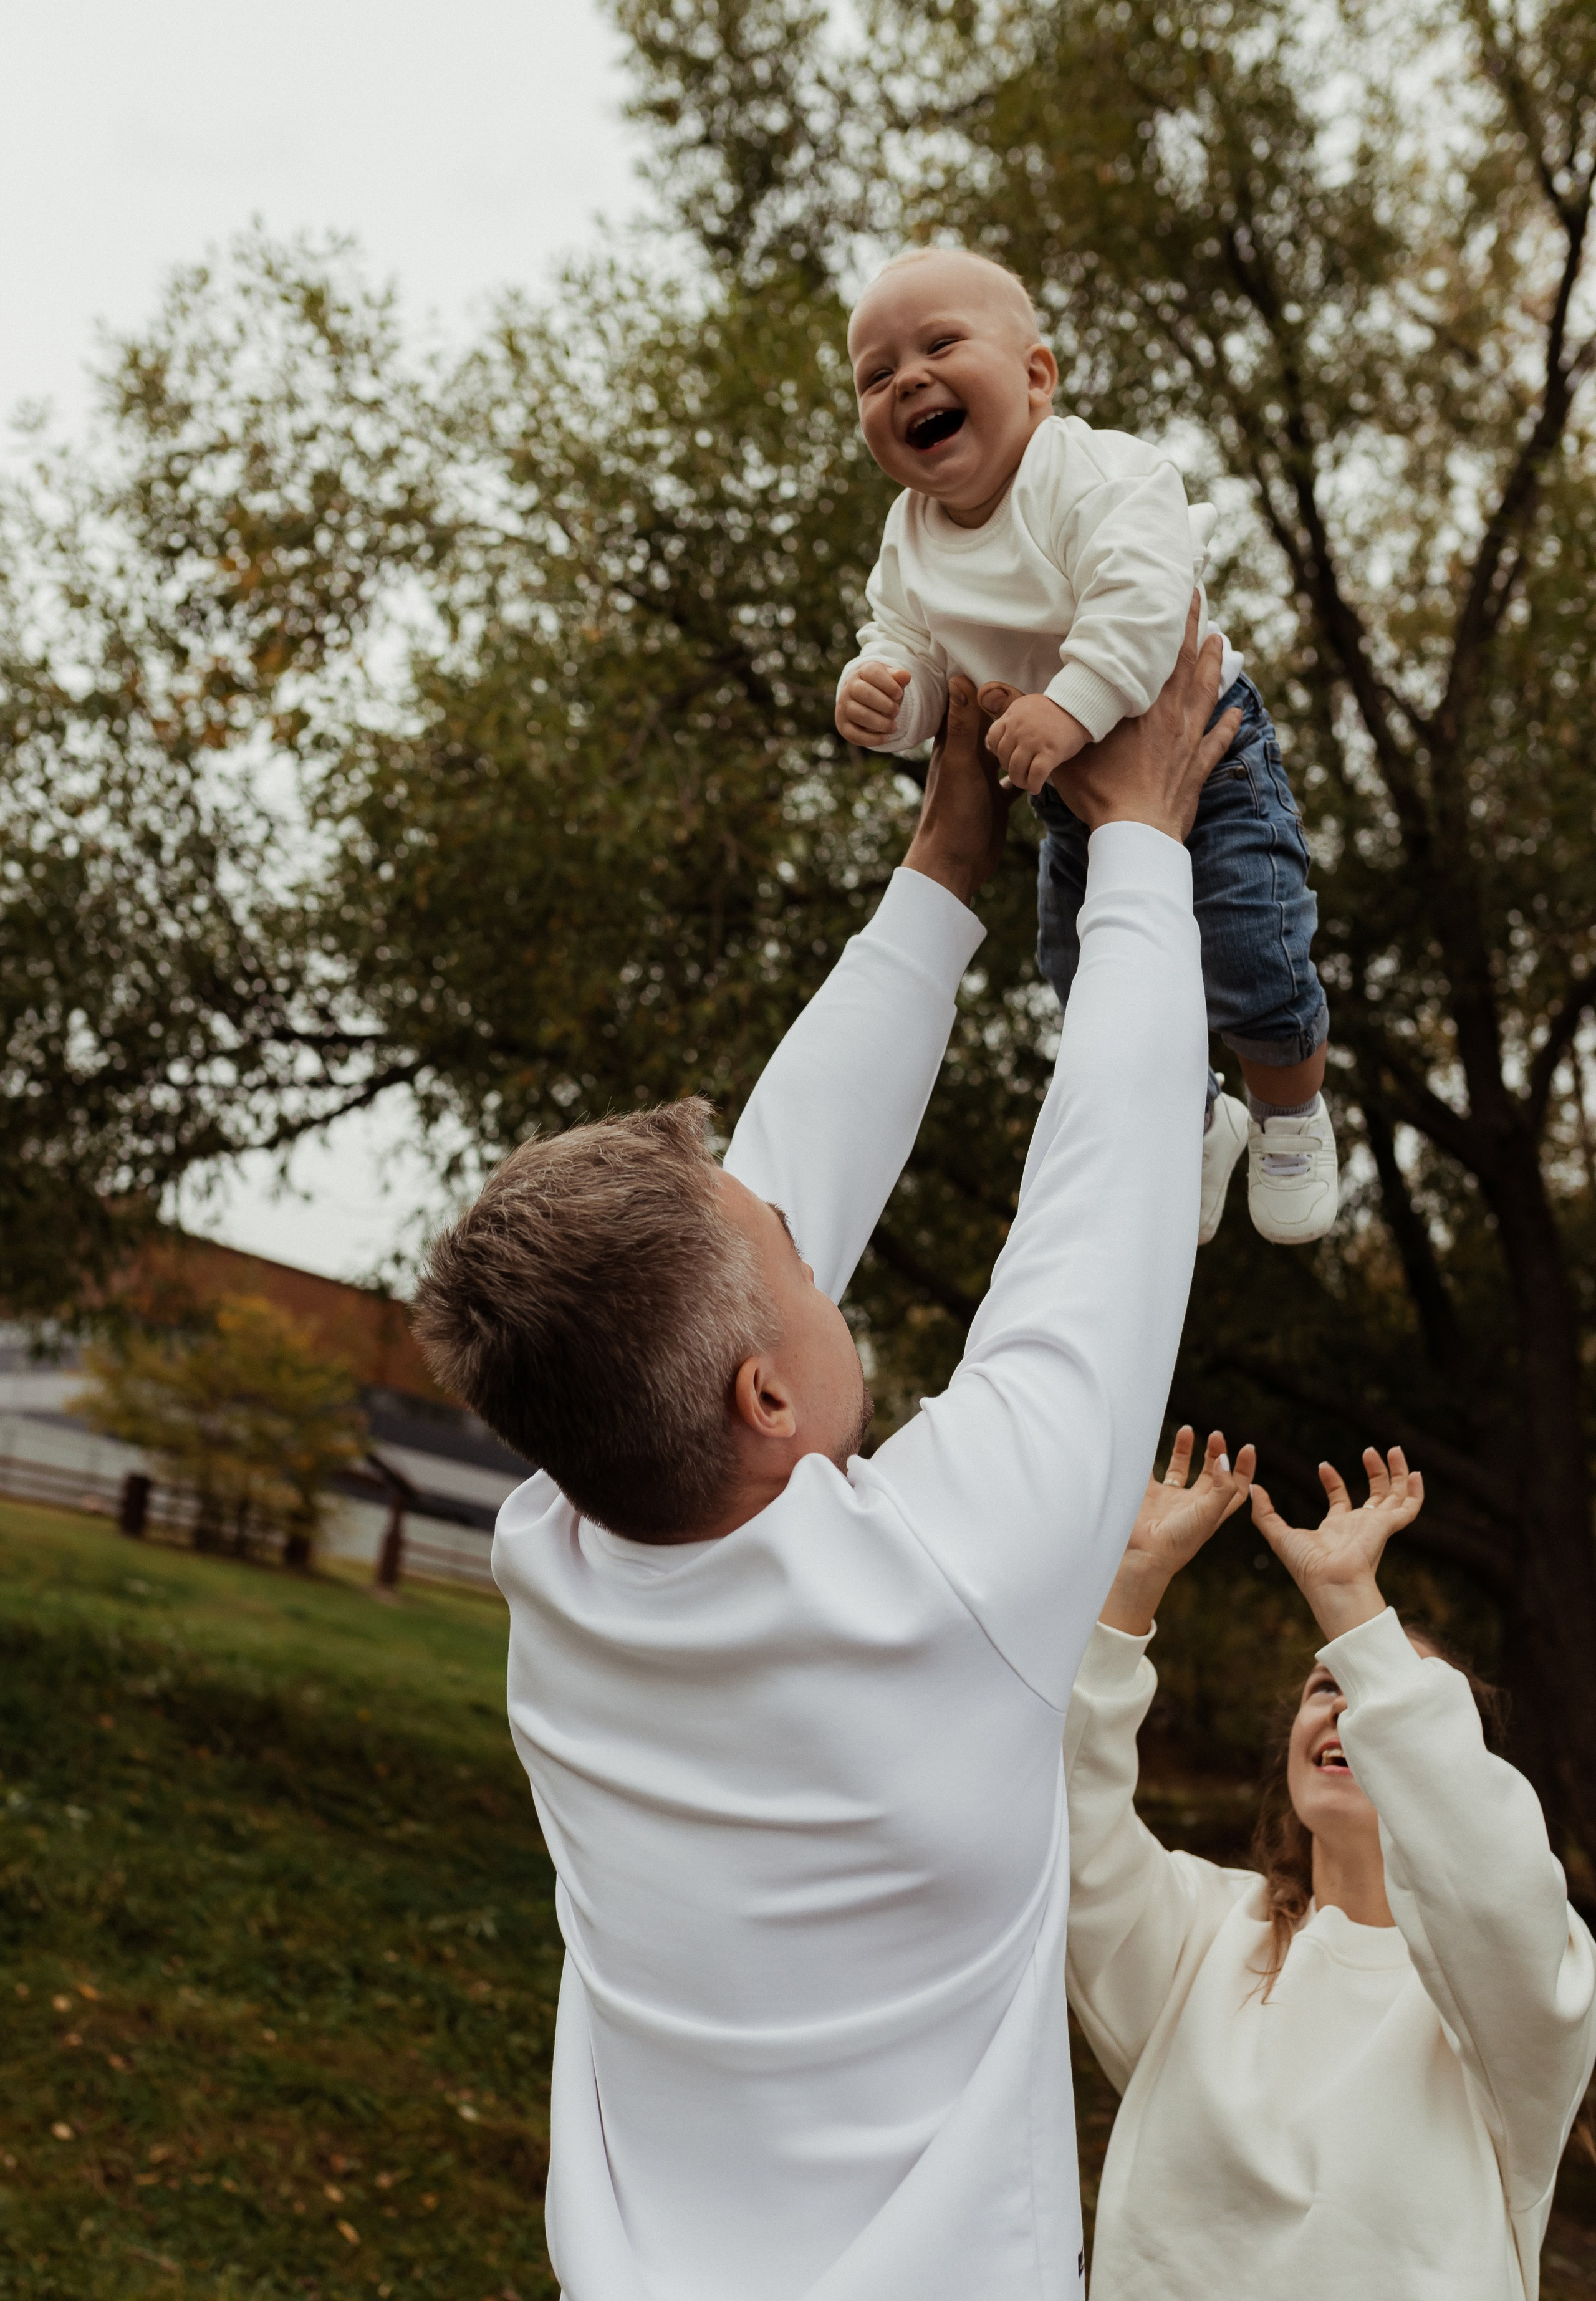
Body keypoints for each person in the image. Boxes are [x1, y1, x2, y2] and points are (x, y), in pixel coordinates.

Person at [410, 608, 1239, 2301]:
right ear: (765, 1404)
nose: (813, 1242)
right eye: (794, 1260)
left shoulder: (569, 1546)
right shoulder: (944, 1586)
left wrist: (946, 861)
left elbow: (754, 1222)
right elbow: (1112, 1211)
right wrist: (1144, 843)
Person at [835, 246, 1335, 1246]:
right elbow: (912, 650)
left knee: (1249, 953)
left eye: (939, 345)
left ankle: (1288, 1113)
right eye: (876, 375)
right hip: (1067, 793)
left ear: (1036, 375)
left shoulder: (1097, 472)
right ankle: (1193, 1114)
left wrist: (1069, 708)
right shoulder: (910, 533)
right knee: (1081, 970)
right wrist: (890, 700)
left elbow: (1143, 603)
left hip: (1207, 751)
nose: (909, 381)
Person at [1064, 1425, 1596, 2300]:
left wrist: (1352, 1605)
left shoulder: (1512, 2005)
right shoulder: (1201, 1934)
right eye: (1326, 1688)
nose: (1351, 1709)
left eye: (1383, 1692)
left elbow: (1496, 1893)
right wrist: (1130, 1589)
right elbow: (1064, 1821)